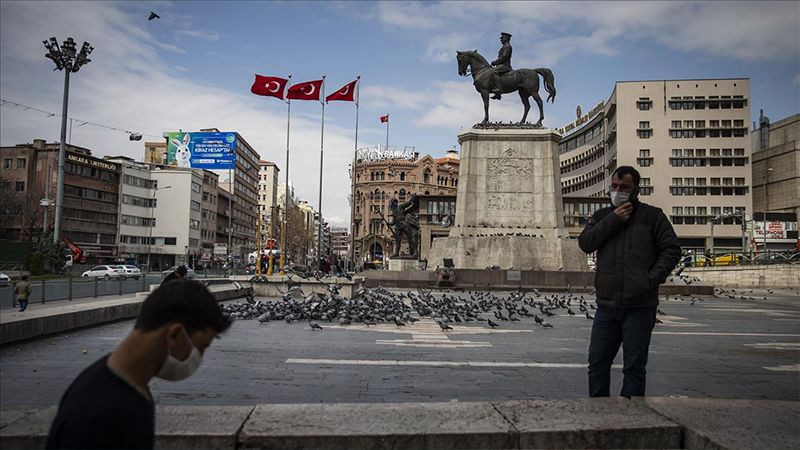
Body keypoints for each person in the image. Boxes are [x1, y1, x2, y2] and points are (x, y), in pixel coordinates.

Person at [47, 279, 232, 449]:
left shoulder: (130, 386)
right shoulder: (97, 418)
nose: (198, 357)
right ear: (174, 335)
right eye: (200, 347)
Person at [578, 166, 681, 398]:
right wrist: (613, 220)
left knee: (634, 367)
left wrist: (651, 279)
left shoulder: (653, 216)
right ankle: (598, 412)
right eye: (614, 187)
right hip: (607, 305)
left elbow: (672, 250)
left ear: (635, 190)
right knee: (597, 364)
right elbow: (586, 243)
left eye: (624, 187)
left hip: (640, 306)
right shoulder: (602, 216)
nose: (617, 191)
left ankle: (632, 416)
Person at [490, 32, 513, 100]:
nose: (501, 39)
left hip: (505, 66)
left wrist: (495, 62)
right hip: (501, 65)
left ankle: (499, 89)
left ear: (506, 38)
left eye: (502, 38)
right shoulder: (504, 46)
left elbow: (504, 57)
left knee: (494, 72)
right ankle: (498, 95)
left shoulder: (508, 46)